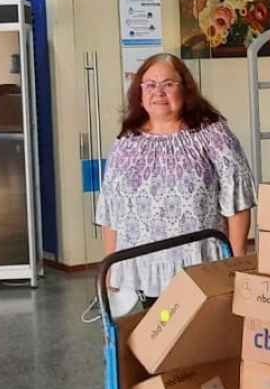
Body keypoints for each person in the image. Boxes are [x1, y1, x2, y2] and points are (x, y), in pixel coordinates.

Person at [97, 53, 255, 304]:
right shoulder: (127, 141)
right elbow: (110, 211)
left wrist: (236, 263)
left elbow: (237, 203)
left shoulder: (212, 134)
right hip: (143, 270)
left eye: (168, 84)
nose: (158, 92)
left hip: (199, 266)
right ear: (139, 92)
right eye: (150, 85)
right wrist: (110, 268)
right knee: (153, 335)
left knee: (198, 340)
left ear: (186, 89)